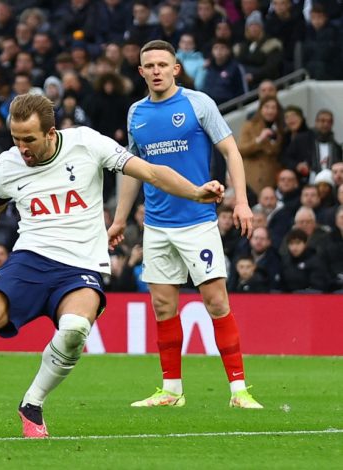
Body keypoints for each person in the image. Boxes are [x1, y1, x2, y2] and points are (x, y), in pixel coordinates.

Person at [0, 93, 225, 438]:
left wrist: (194, 192)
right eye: (15, 138)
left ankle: (32, 406)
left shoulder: (87, 144)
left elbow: (151, 172)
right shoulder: (7, 166)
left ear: (51, 132)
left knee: (75, 329)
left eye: (29, 139)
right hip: (29, 260)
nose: (22, 148)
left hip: (81, 266)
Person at [108, 40, 263, 410]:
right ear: (141, 72)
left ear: (176, 68)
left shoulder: (198, 103)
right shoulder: (135, 114)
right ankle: (171, 390)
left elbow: (230, 151)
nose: (157, 70)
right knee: (163, 306)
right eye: (151, 65)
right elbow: (133, 169)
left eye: (164, 64)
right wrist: (119, 220)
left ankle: (239, 391)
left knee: (215, 301)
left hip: (197, 222)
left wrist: (240, 201)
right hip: (157, 226)